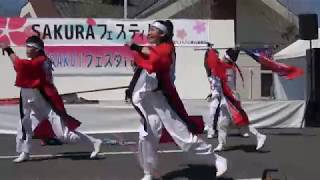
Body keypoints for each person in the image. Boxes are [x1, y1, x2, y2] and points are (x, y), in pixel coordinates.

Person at [127, 20, 227, 180]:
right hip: (148, 98)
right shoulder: (153, 47)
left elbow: (153, 62)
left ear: (163, 34)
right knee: (146, 135)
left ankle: (216, 159)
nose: (149, 32)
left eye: (153, 30)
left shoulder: (167, 49)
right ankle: (148, 172)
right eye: (149, 29)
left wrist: (136, 50)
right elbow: (146, 59)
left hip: (163, 99)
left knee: (183, 137)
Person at [1, 36, 102, 163]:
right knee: (23, 125)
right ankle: (25, 152)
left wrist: (8, 49)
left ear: (37, 49)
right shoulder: (36, 60)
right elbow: (20, 67)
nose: (26, 49)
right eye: (26, 46)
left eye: (30, 47)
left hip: (46, 104)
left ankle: (93, 141)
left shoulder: (41, 61)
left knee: (63, 136)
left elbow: (20, 66)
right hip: (31, 100)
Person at [205, 47, 267, 152]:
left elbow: (213, 64)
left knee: (240, 121)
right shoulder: (229, 66)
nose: (222, 57)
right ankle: (221, 144)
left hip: (231, 98)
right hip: (226, 98)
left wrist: (210, 51)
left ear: (228, 58)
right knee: (222, 124)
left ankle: (259, 135)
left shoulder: (227, 67)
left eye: (224, 56)